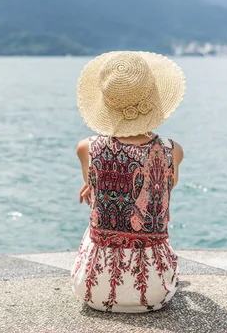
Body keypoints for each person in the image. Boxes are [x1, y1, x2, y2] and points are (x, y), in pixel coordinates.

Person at [70, 51, 186, 313]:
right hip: (154, 294)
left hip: (91, 290)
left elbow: (96, 189)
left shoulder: (87, 148)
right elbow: (164, 190)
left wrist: (99, 183)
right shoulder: (172, 151)